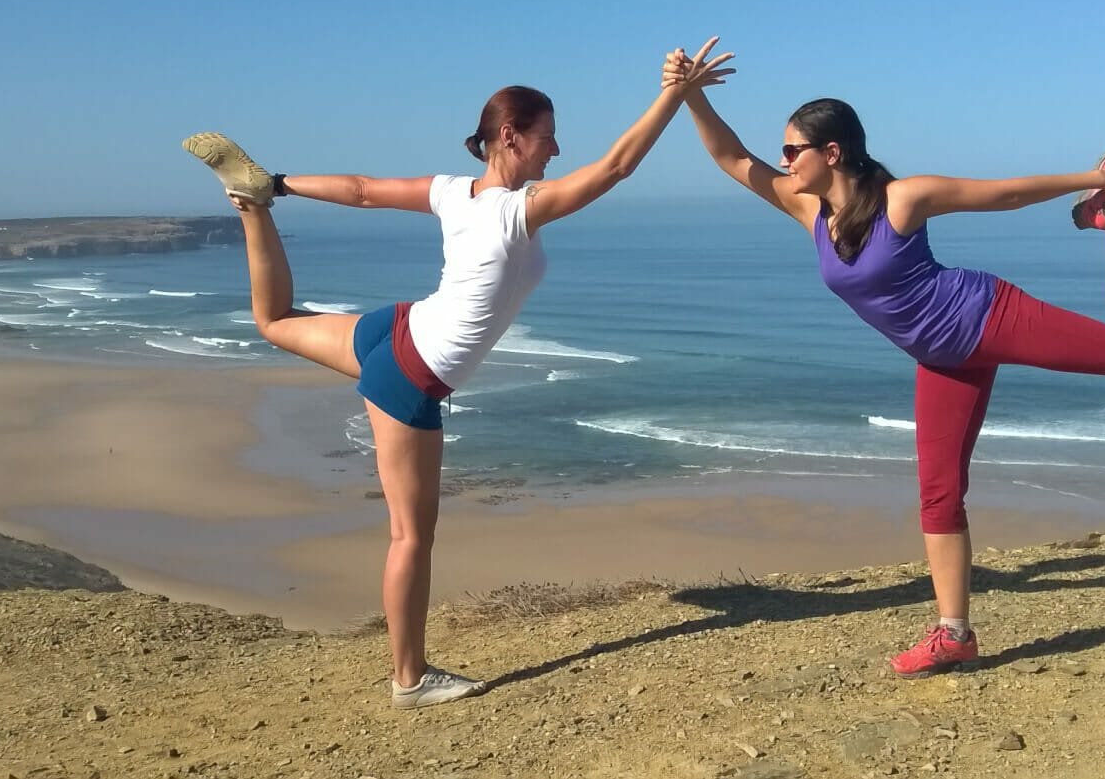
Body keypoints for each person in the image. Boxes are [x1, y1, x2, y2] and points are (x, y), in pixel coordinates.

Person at [181, 39, 733, 707]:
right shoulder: (515, 210)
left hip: (394, 332)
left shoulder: (454, 194)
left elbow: (359, 192)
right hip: (408, 372)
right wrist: (672, 92)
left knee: (274, 321)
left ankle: (254, 202)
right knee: (410, 535)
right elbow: (616, 166)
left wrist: (280, 183)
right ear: (511, 137)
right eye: (548, 138)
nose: (556, 151)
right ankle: (409, 678)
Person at [664, 48, 1105, 677]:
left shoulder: (901, 200)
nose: (784, 161)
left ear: (832, 153)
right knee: (937, 494)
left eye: (793, 149)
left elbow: (1004, 196)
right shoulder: (809, 211)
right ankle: (954, 633)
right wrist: (690, 94)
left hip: (987, 316)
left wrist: (1095, 183)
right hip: (942, 359)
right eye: (785, 151)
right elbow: (731, 158)